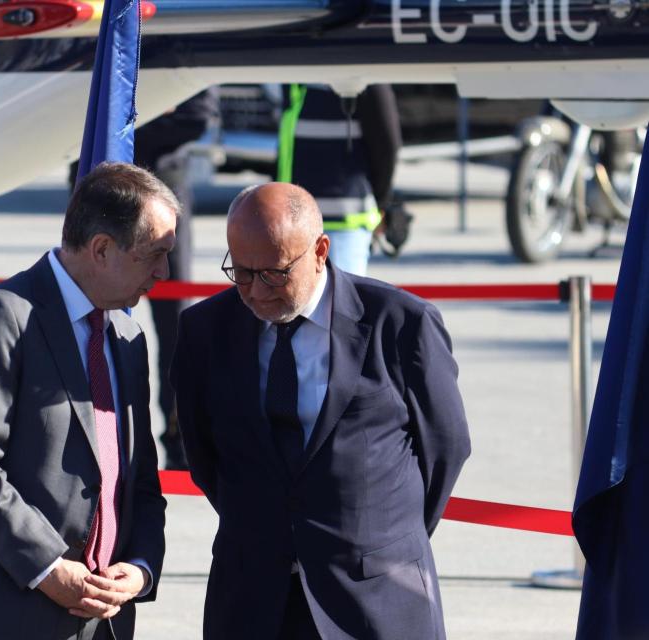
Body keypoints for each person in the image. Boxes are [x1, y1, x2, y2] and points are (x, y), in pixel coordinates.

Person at [171, 182, 471, 639]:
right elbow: (204, 454)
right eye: (241, 272)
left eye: (273, 273)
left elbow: (445, 447)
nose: (253, 291)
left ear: (320, 251)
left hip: (378, 596)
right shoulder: (205, 331)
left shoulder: (400, 323)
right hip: (253, 599)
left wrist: (379, 536)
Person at [0, 162, 172, 640]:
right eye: (153, 254)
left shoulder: (127, 336)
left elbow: (139, 481)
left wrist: (139, 569)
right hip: (3, 615)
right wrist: (49, 568)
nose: (164, 272)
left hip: (102, 619)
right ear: (101, 249)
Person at [133, 89, 220, 470]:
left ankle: (179, 444)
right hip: (99, 199)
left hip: (164, 196)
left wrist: (123, 131)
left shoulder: (173, 36)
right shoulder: (96, 34)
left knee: (174, 330)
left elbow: (197, 116)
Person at [279, 84, 410, 275]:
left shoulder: (361, 75)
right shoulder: (298, 81)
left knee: (340, 302)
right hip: (296, 225)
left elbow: (387, 148)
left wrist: (380, 202)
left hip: (343, 228)